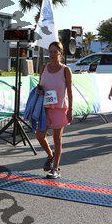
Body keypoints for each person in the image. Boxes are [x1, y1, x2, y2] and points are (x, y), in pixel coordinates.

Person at [36, 41, 73, 179]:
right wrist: (40, 90)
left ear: (60, 53)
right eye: (50, 51)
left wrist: (70, 110)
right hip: (45, 109)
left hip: (59, 108)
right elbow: (40, 85)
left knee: (57, 139)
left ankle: (56, 168)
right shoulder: (43, 67)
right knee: (40, 135)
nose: (51, 54)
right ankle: (50, 155)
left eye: (54, 52)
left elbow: (70, 91)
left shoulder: (65, 70)